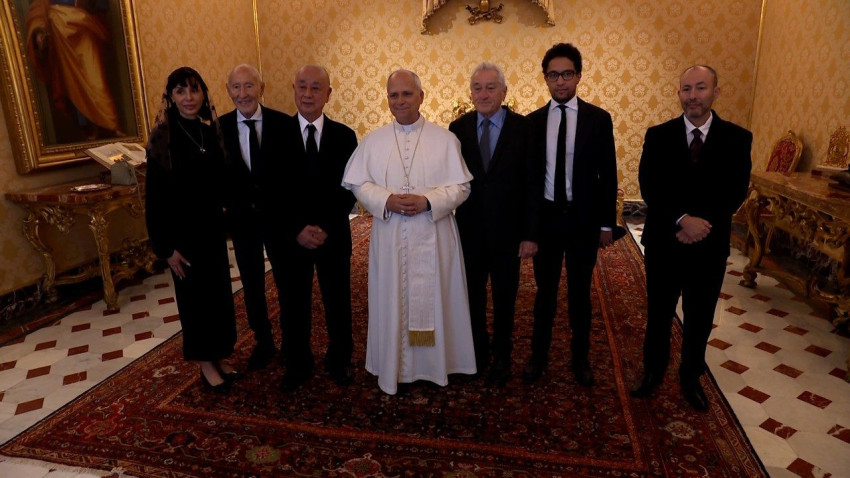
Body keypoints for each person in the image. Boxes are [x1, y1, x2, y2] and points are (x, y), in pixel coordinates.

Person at [342, 69, 476, 395]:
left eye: (407, 94)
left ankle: (436, 366)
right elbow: (357, 182)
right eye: (394, 95)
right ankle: (394, 367)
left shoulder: (445, 140)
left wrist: (429, 201)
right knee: (392, 298)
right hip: (391, 236)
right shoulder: (374, 141)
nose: (400, 100)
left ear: (421, 97)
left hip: (435, 233)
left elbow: (461, 187)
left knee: (439, 297)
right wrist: (385, 199)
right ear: (388, 99)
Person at [631, 65, 752, 411]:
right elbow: (650, 185)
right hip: (665, 242)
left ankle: (690, 377)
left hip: (709, 245)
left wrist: (701, 225)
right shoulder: (658, 135)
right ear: (679, 93)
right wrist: (682, 220)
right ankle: (653, 372)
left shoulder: (737, 138)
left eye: (700, 88)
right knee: (659, 312)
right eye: (686, 89)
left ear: (716, 92)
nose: (693, 96)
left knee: (699, 316)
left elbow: (735, 191)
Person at [524, 43, 619, 387]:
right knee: (545, 293)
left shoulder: (598, 119)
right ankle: (538, 356)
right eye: (553, 75)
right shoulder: (533, 122)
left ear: (578, 76)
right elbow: (529, 180)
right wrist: (530, 228)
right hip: (548, 219)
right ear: (545, 79)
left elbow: (608, 174)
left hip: (583, 220)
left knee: (580, 292)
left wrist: (607, 223)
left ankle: (581, 359)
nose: (560, 81)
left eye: (566, 74)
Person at [145, 67, 237, 392]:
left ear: (203, 94)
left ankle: (219, 354)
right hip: (182, 237)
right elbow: (154, 199)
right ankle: (205, 363)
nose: (188, 97)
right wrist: (166, 248)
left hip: (211, 232)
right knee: (195, 301)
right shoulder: (162, 138)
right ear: (170, 97)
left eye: (194, 90)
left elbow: (222, 183)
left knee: (218, 297)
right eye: (181, 91)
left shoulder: (209, 132)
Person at [448, 62, 540, 386]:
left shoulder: (524, 128)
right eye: (478, 88)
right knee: (471, 297)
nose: (484, 94)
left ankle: (502, 356)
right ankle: (476, 353)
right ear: (470, 93)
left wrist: (530, 234)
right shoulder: (457, 128)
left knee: (505, 299)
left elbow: (533, 184)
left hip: (509, 233)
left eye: (490, 87)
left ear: (504, 91)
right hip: (469, 231)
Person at [275, 65, 358, 391]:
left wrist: (324, 226)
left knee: (338, 300)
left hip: (333, 235)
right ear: (294, 89)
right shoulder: (276, 134)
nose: (308, 94)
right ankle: (298, 362)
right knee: (293, 302)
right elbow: (272, 190)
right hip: (291, 237)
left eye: (315, 88)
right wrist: (297, 228)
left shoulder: (345, 136)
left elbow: (349, 189)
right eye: (302, 87)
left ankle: (340, 359)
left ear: (328, 94)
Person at [220, 64, 290, 371]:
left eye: (249, 86)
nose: (243, 93)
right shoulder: (218, 128)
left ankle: (291, 340)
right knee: (251, 284)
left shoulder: (283, 124)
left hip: (279, 219)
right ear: (228, 91)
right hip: (242, 222)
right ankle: (263, 340)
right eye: (236, 87)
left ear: (262, 88)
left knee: (287, 281)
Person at [25, 0, 121, 141]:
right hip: (60, 28)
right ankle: (87, 127)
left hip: (84, 27)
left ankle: (110, 124)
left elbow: (101, 6)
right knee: (73, 83)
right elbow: (38, 9)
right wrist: (39, 31)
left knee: (96, 81)